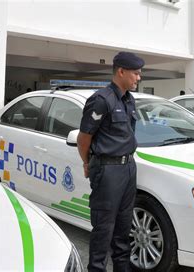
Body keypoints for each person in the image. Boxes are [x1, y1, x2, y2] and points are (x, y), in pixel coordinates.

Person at [77, 51, 144, 271]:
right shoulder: (101, 100)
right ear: (121, 71)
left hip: (128, 168)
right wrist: (88, 163)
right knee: (104, 230)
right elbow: (84, 138)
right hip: (107, 171)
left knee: (123, 230)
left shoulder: (129, 100)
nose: (139, 78)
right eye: (135, 73)